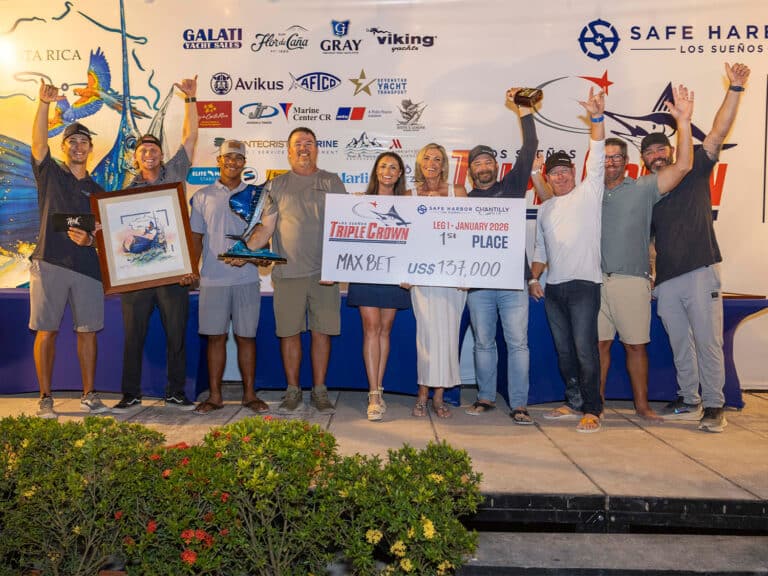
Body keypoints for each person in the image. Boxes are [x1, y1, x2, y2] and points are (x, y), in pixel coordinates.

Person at [650, 63, 750, 433]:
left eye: (663, 150)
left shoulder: (695, 170)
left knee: (707, 341)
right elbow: (651, 241)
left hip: (700, 269)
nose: (658, 155)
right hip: (667, 280)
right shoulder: (650, 192)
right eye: (650, 153)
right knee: (680, 342)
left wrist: (735, 88)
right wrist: (652, 275)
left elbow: (719, 131)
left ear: (674, 150)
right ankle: (689, 399)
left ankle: (714, 405)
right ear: (645, 161)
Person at [597, 86, 693, 422]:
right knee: (600, 348)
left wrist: (684, 122)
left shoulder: (643, 188)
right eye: (605, 157)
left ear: (627, 162)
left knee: (636, 346)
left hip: (631, 281)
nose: (610, 163)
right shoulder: (589, 194)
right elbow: (552, 196)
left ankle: (641, 406)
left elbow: (682, 166)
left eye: (616, 157)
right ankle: (596, 406)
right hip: (595, 282)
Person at [111, 76, 199, 413]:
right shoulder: (122, 191)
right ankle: (130, 393)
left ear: (162, 155)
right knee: (133, 337)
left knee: (176, 335)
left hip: (173, 271)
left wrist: (190, 100)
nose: (148, 153)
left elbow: (191, 139)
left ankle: (175, 392)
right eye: (142, 150)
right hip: (136, 276)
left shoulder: (176, 173)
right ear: (135, 158)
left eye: (154, 149)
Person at [245, 127, 347, 414]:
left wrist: (338, 266)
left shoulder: (332, 181)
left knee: (321, 333)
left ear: (317, 148)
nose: (304, 148)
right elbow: (266, 228)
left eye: (309, 143)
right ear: (288, 152)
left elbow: (346, 227)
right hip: (288, 274)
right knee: (289, 333)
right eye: (297, 144)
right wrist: (244, 251)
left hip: (324, 275)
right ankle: (292, 391)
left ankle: (320, 391)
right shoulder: (276, 185)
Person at [30, 81, 108, 418]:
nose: (78, 146)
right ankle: (45, 397)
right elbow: (37, 143)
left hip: (87, 267)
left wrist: (91, 241)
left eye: (84, 142)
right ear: (63, 148)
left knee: (88, 331)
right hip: (50, 262)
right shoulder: (50, 174)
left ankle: (89, 395)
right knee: (46, 330)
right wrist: (44, 105)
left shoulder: (99, 191)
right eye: (72, 141)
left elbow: (105, 236)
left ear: (91, 149)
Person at [530, 87, 605, 433]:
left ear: (575, 173)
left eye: (565, 171)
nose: (560, 177)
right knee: (564, 352)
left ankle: (593, 408)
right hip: (554, 289)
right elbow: (542, 251)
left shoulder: (589, 193)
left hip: (585, 286)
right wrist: (534, 279)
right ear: (547, 178)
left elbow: (598, 152)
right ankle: (573, 402)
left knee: (585, 350)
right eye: (554, 173)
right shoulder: (545, 209)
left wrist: (596, 118)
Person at [464, 88, 538, 424]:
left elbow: (530, 150)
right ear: (471, 171)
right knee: (483, 343)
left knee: (518, 343)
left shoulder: (511, 188)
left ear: (497, 165)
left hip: (513, 282)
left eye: (487, 161)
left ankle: (520, 404)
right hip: (478, 283)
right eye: (477, 162)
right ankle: (485, 398)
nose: (483, 166)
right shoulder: (463, 204)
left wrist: (524, 110)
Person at [188, 140, 269, 415]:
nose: (232, 162)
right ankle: (215, 396)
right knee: (215, 338)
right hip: (212, 279)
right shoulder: (202, 196)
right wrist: (192, 269)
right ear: (219, 162)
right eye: (227, 158)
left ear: (244, 163)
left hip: (246, 277)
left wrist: (255, 255)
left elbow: (263, 235)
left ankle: (249, 395)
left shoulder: (257, 196)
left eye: (238, 158)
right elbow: (196, 237)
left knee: (247, 337)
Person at [346, 152, 411, 421]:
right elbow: (346, 238)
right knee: (370, 328)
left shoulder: (408, 203)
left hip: (395, 276)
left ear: (399, 174)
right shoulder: (358, 201)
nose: (387, 171)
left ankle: (379, 389)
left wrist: (410, 271)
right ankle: (373, 395)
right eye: (383, 166)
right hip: (366, 273)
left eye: (393, 167)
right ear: (376, 171)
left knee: (385, 330)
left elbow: (415, 240)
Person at [409, 143, 467, 418]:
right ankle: (422, 394)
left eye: (437, 159)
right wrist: (404, 273)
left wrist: (468, 273)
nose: (431, 163)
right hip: (422, 276)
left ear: (444, 164)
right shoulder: (409, 195)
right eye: (427, 158)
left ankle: (439, 397)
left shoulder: (458, 191)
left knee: (448, 335)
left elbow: (468, 234)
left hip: (453, 277)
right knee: (426, 335)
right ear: (420, 163)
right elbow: (403, 238)